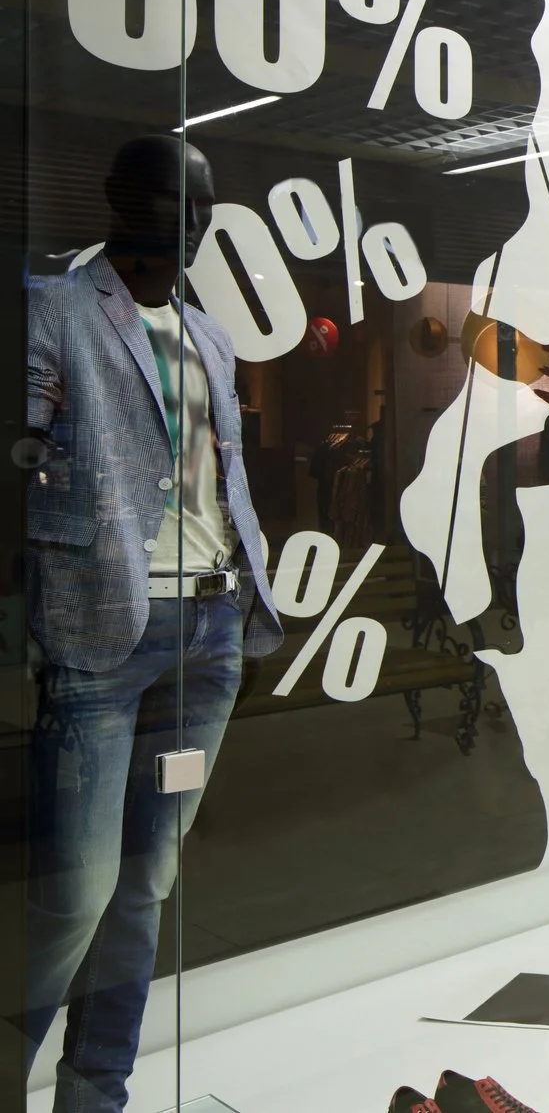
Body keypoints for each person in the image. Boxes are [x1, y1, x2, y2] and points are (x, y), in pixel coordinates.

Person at [22, 136, 283, 1112]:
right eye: (178, 202)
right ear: (119, 199)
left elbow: (223, 475)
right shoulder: (57, 309)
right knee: (76, 897)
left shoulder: (211, 336)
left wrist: (248, 581)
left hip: (210, 632)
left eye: (205, 206)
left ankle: (96, 1093)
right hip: (104, 630)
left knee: (147, 884)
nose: (195, 223)